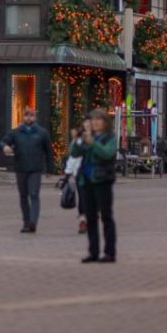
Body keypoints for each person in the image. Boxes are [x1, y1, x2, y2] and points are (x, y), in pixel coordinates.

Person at [72, 108, 118, 263]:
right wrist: (77, 140)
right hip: (86, 181)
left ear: (105, 122)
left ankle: (109, 252)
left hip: (102, 180)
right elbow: (74, 153)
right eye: (93, 120)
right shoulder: (87, 136)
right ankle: (93, 251)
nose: (96, 122)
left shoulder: (109, 137)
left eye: (99, 119)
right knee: (90, 217)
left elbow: (107, 153)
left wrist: (93, 144)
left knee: (106, 216)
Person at [1, 107, 53, 233]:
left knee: (34, 194)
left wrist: (50, 169)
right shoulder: (16, 132)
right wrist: (5, 146)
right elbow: (3, 141)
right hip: (21, 168)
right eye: (26, 115)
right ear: (23, 117)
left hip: (35, 168)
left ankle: (33, 222)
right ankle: (26, 222)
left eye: (31, 115)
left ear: (34, 117)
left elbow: (48, 151)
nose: (29, 117)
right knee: (23, 196)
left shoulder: (42, 132)